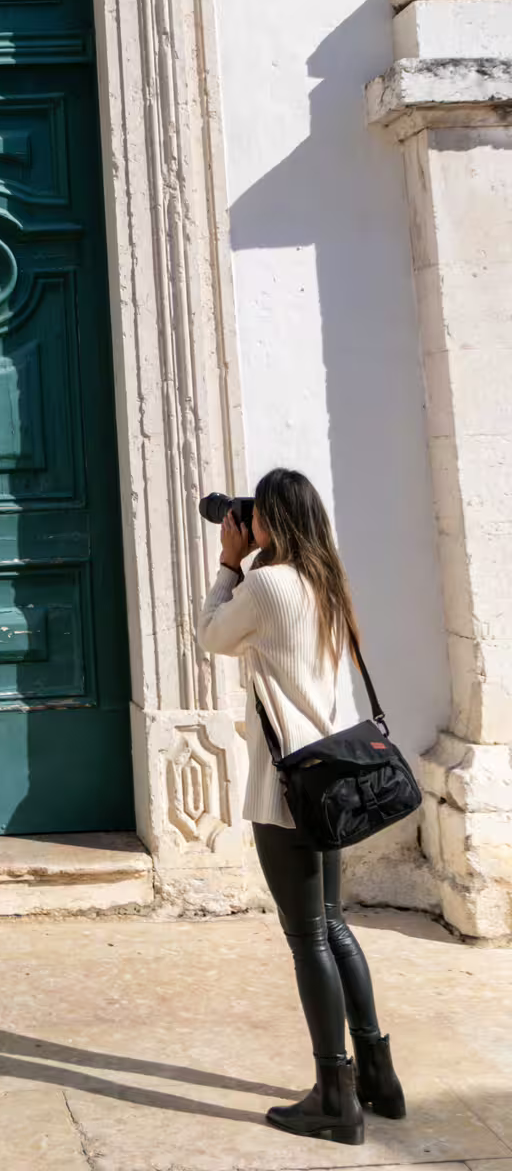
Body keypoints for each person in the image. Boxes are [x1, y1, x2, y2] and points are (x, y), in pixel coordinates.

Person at [197, 467, 406, 1146]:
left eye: (252, 515)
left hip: (288, 790)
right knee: (336, 924)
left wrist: (229, 565)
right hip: (334, 781)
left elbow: (209, 638)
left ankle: (334, 1096)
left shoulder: (265, 584)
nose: (243, 522)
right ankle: (378, 1075)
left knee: (308, 936)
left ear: (272, 523)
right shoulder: (325, 582)